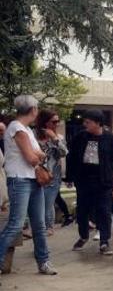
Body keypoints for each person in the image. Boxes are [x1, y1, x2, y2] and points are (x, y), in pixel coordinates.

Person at [0, 95, 57, 280]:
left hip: (33, 179)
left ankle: (43, 262)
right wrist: (37, 155)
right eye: (37, 108)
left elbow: (39, 153)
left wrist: (37, 155)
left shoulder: (27, 130)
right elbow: (32, 157)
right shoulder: (17, 128)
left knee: (39, 224)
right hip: (20, 180)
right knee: (16, 224)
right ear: (32, 109)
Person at [65, 110, 113, 255]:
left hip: (104, 181)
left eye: (88, 122)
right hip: (84, 180)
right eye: (85, 122)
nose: (85, 124)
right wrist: (69, 177)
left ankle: (104, 241)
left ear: (98, 123)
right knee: (83, 210)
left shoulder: (110, 138)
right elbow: (71, 157)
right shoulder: (80, 137)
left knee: (104, 211)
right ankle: (84, 235)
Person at [36, 109, 68, 235]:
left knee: (48, 203)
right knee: (39, 204)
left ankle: (47, 228)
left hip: (53, 176)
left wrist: (54, 138)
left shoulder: (58, 138)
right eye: (54, 121)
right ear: (45, 122)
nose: (57, 124)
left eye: (58, 122)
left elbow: (64, 153)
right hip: (36, 174)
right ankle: (42, 228)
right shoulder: (34, 136)